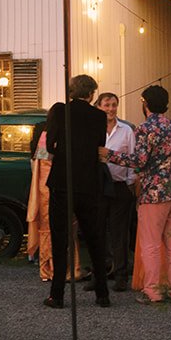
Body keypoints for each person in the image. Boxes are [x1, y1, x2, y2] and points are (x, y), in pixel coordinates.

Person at [102, 85, 171, 304]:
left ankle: (153, 290)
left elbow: (138, 161)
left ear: (145, 103)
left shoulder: (145, 128)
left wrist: (109, 155)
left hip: (154, 192)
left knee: (151, 243)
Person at [43, 75, 112, 309]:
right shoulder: (99, 116)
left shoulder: (59, 111)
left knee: (60, 238)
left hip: (62, 181)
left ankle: (57, 294)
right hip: (89, 182)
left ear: (71, 91)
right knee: (94, 238)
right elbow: (99, 145)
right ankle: (102, 293)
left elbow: (49, 143)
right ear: (92, 94)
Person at [97, 92, 137, 292]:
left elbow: (132, 157)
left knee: (119, 232)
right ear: (99, 106)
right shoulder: (93, 129)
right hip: (98, 186)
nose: (111, 109)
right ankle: (101, 274)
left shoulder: (126, 131)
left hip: (119, 185)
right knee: (97, 231)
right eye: (107, 105)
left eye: (114, 105)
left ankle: (121, 274)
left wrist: (131, 182)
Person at [26, 121, 52, 272]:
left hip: (42, 185)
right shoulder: (45, 138)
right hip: (46, 186)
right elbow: (42, 164)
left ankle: (42, 258)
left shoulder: (42, 136)